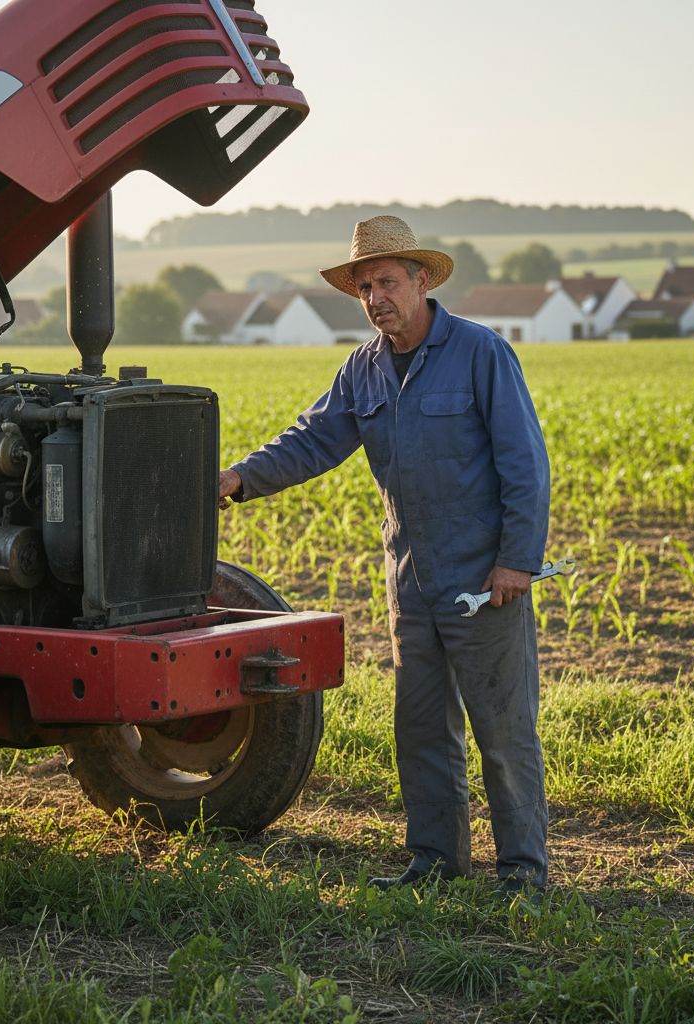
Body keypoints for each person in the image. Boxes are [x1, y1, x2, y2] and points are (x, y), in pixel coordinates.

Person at [218, 216, 551, 892]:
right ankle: (436, 860)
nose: (375, 298)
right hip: (412, 581)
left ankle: (523, 870)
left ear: (422, 280)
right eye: (364, 286)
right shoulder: (362, 369)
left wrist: (518, 558)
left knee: (502, 727)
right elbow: (311, 441)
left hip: (484, 580)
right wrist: (237, 479)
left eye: (387, 282)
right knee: (422, 727)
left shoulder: (481, 353)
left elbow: (526, 464)